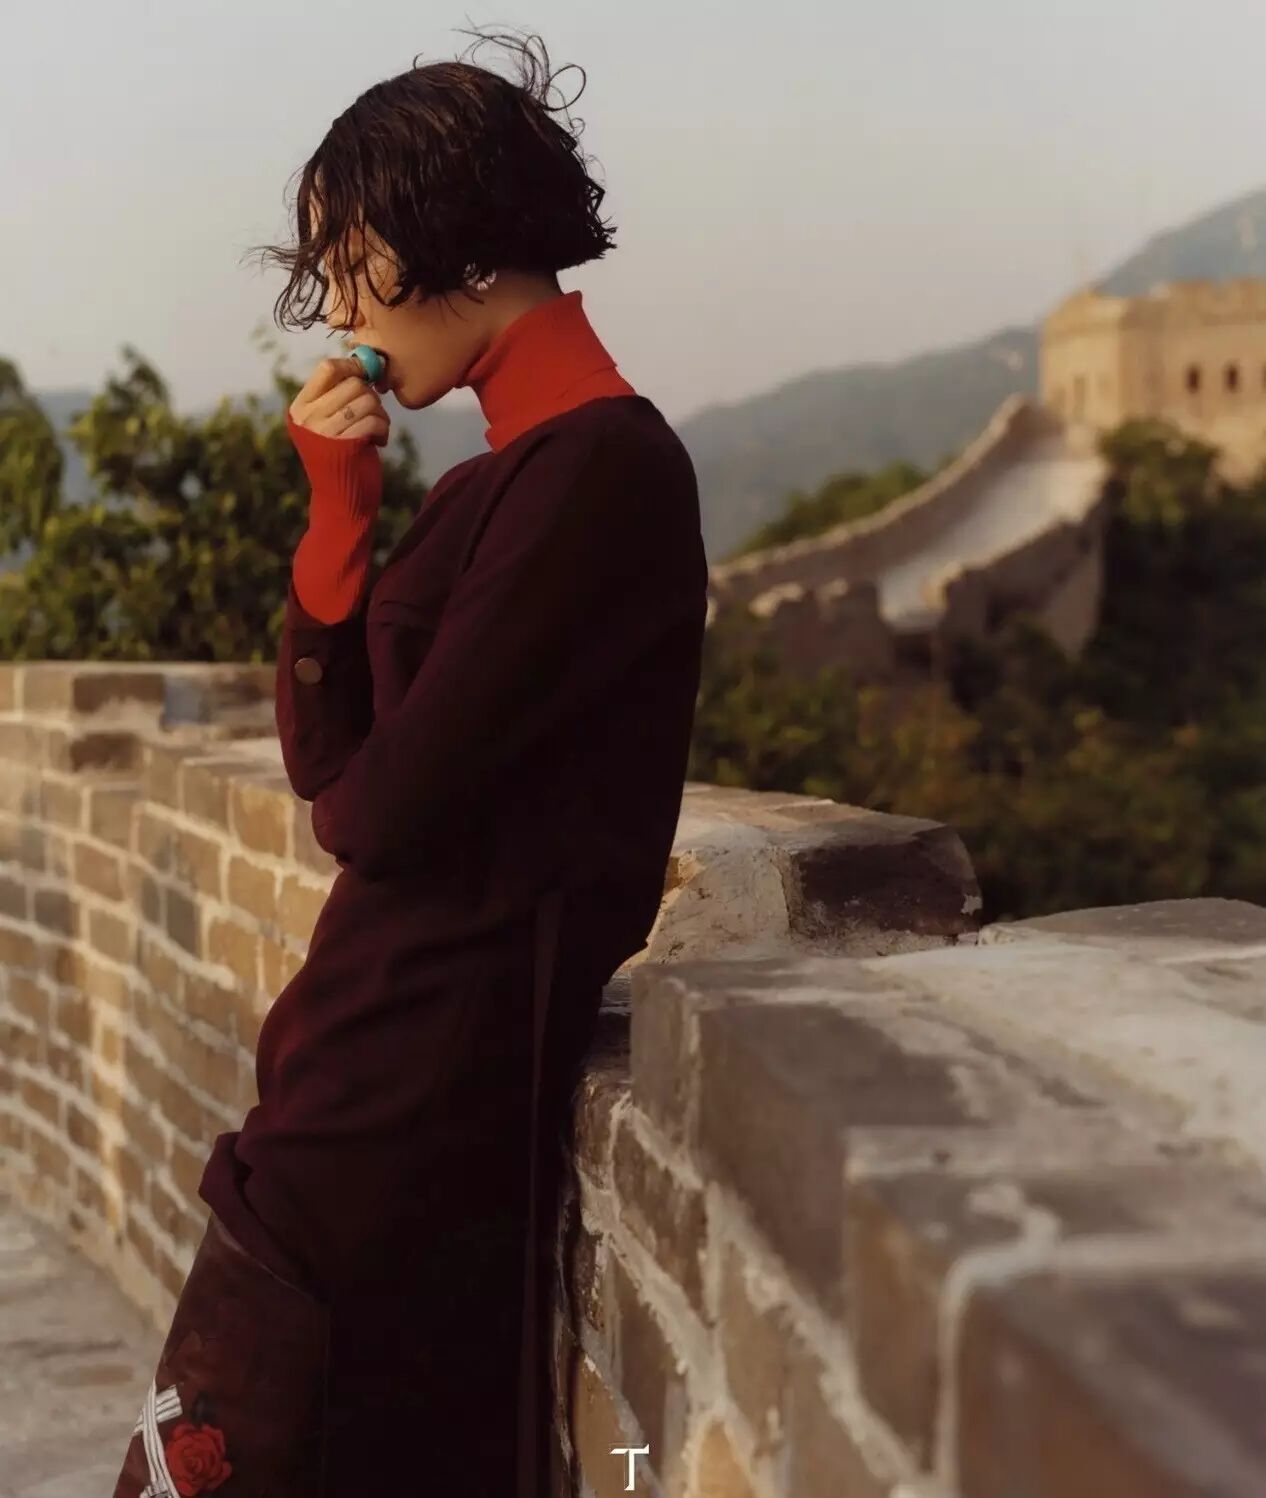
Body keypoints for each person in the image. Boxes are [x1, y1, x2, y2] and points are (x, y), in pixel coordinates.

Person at [109, 27, 708, 1498]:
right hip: (368, 1097)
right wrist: (339, 516)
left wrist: (360, 778)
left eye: (346, 261)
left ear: (450, 236)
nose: (335, 308)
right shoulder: (498, 482)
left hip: (407, 1113)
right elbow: (331, 766)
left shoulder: (602, 472)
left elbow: (374, 810)